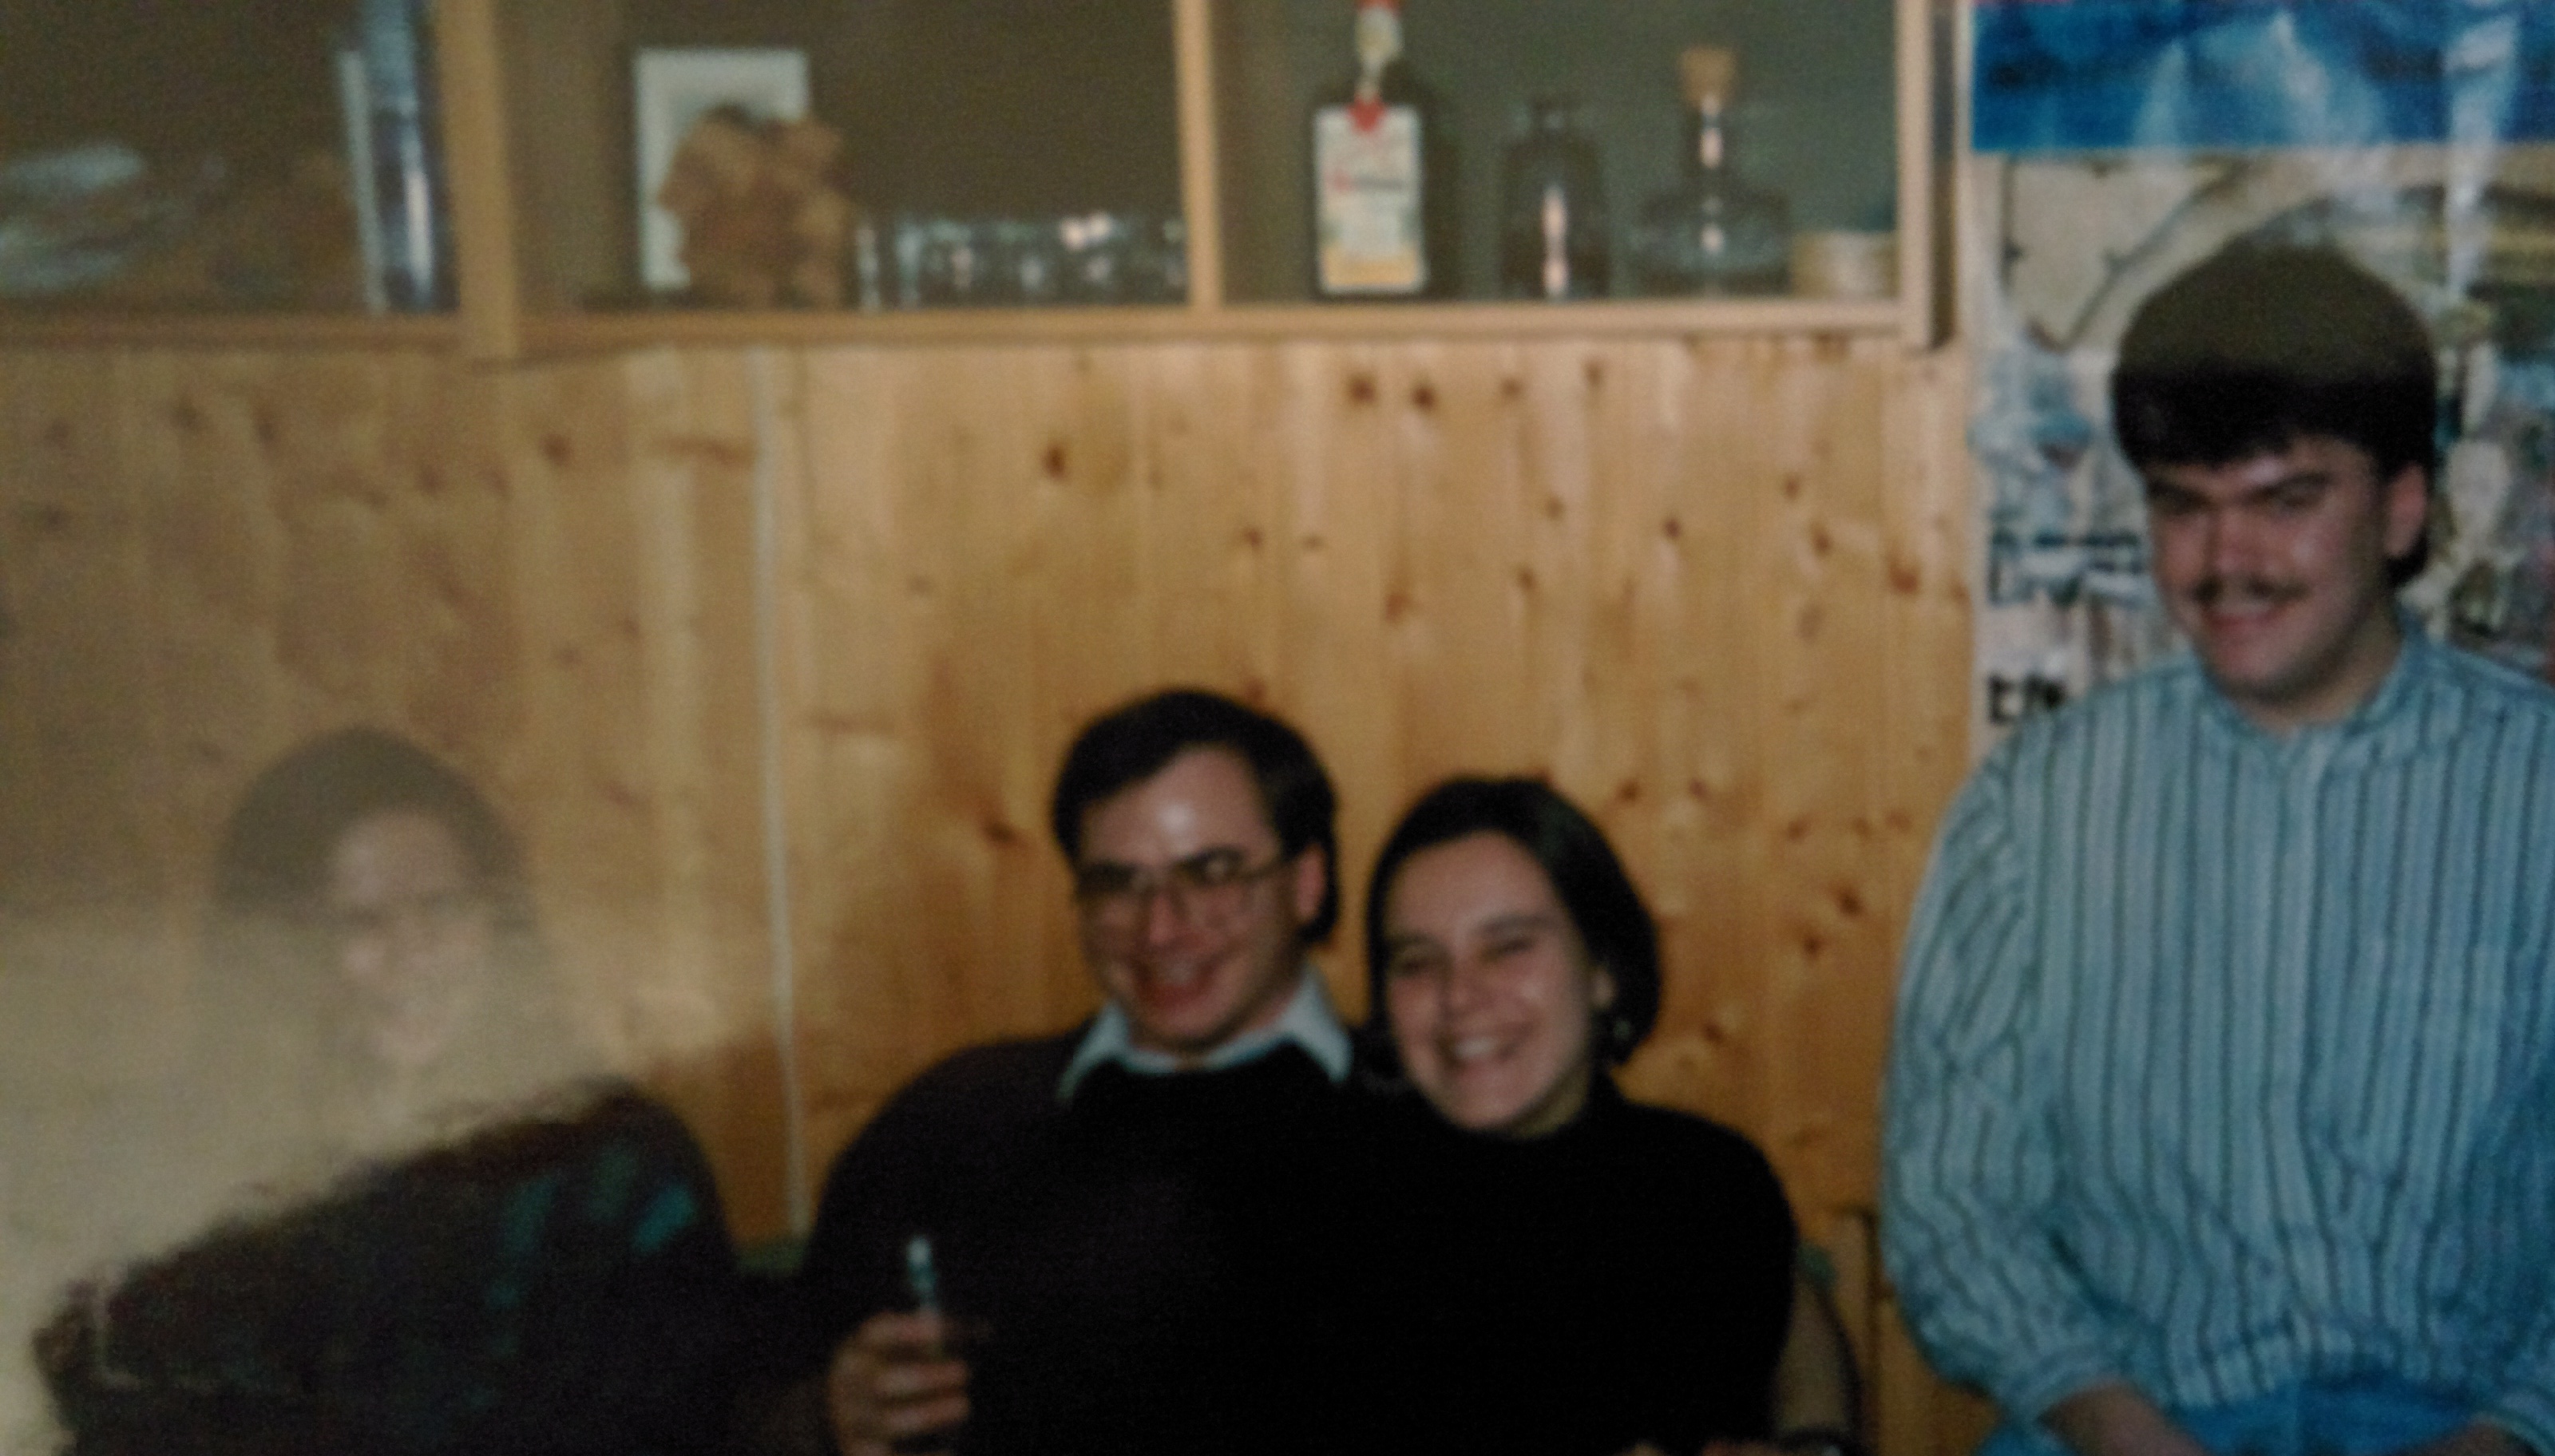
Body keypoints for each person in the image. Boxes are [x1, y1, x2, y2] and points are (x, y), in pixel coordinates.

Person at [1881, 240, 2555, 1456]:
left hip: (2461, 1427)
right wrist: (2122, 1429)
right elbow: (1951, 1209)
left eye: (2285, 504)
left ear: (2403, 508)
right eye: (2183, 508)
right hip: (2130, 1421)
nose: (2224, 563)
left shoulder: (2536, 794)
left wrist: (2504, 1435)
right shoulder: (2035, 809)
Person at [34, 727, 743, 1456]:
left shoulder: (617, 1167)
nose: (415, 953)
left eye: (444, 908)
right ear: (283, 953)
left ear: (497, 923)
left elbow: (671, 1422)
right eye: (362, 921)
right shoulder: (173, 1165)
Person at [764, 687, 1355, 1456]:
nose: (1160, 929)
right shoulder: (955, 1122)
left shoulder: (1420, 1117)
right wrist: (823, 1419)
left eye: (1211, 873)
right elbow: (751, 1396)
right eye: (1118, 884)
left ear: (1306, 883)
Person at [1348, 775, 1850, 1456]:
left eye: (1508, 947)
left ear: (1603, 970)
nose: (1459, 996)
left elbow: (1797, 1392)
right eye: (1416, 962)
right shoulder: (1328, 1202)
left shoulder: (1706, 1185)